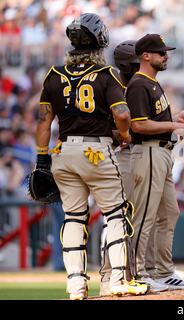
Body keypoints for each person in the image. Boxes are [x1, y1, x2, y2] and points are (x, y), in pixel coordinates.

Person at [35, 13, 147, 299]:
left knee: (73, 217)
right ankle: (119, 278)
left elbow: (43, 123)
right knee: (115, 213)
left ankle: (75, 284)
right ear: (100, 42)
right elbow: (122, 114)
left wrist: (41, 159)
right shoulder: (106, 74)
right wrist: (123, 135)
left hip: (62, 152)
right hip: (95, 151)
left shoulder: (53, 74)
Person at [98, 40, 169, 296]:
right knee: (120, 218)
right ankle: (112, 274)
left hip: (131, 154)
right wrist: (124, 135)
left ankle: (139, 272)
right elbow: (111, 127)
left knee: (136, 217)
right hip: (121, 155)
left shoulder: (129, 86)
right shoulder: (114, 87)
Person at [127, 33, 184, 290]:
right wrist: (173, 124)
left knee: (169, 213)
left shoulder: (152, 84)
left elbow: (153, 121)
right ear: (146, 56)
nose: (166, 56)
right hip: (148, 152)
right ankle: (138, 273)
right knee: (145, 216)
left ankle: (163, 271)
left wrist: (177, 118)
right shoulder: (139, 84)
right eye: (161, 53)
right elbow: (139, 125)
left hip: (162, 152)